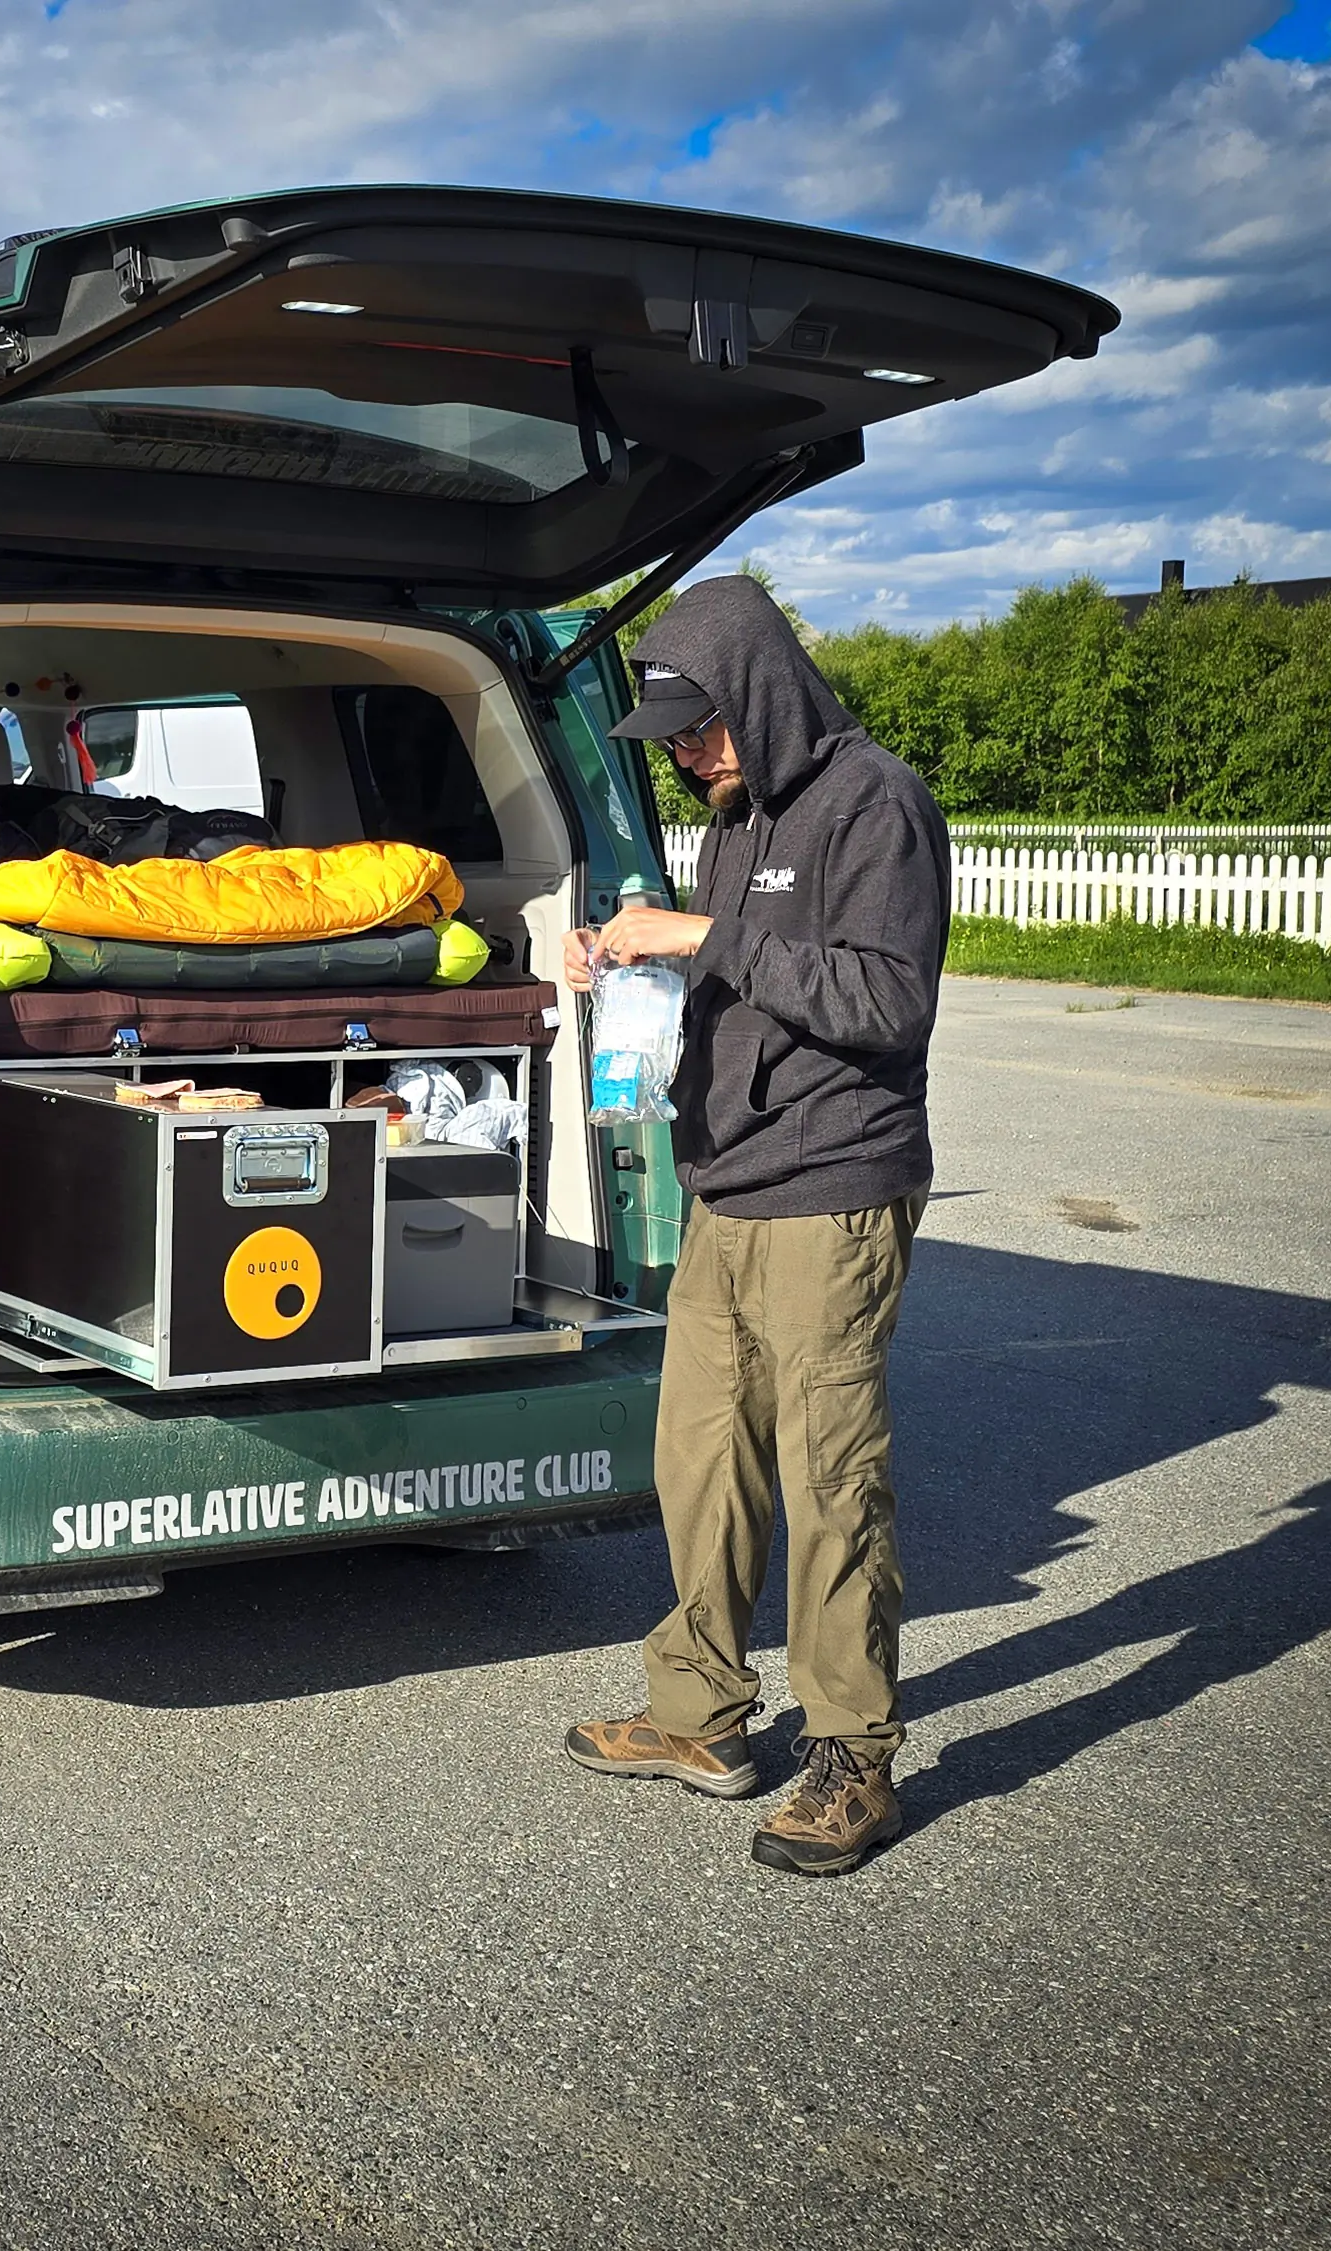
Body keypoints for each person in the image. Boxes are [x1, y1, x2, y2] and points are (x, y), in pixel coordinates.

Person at [558, 573, 950, 1877]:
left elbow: (885, 1001)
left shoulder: (875, 803)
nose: (689, 754)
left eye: (704, 726)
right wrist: (632, 962)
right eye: (671, 738)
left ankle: (854, 1757)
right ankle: (701, 1717)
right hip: (723, 1185)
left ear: (762, 692)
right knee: (701, 1461)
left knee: (830, 1476)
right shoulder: (732, 820)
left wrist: (709, 933)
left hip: (834, 1187)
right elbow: (728, 977)